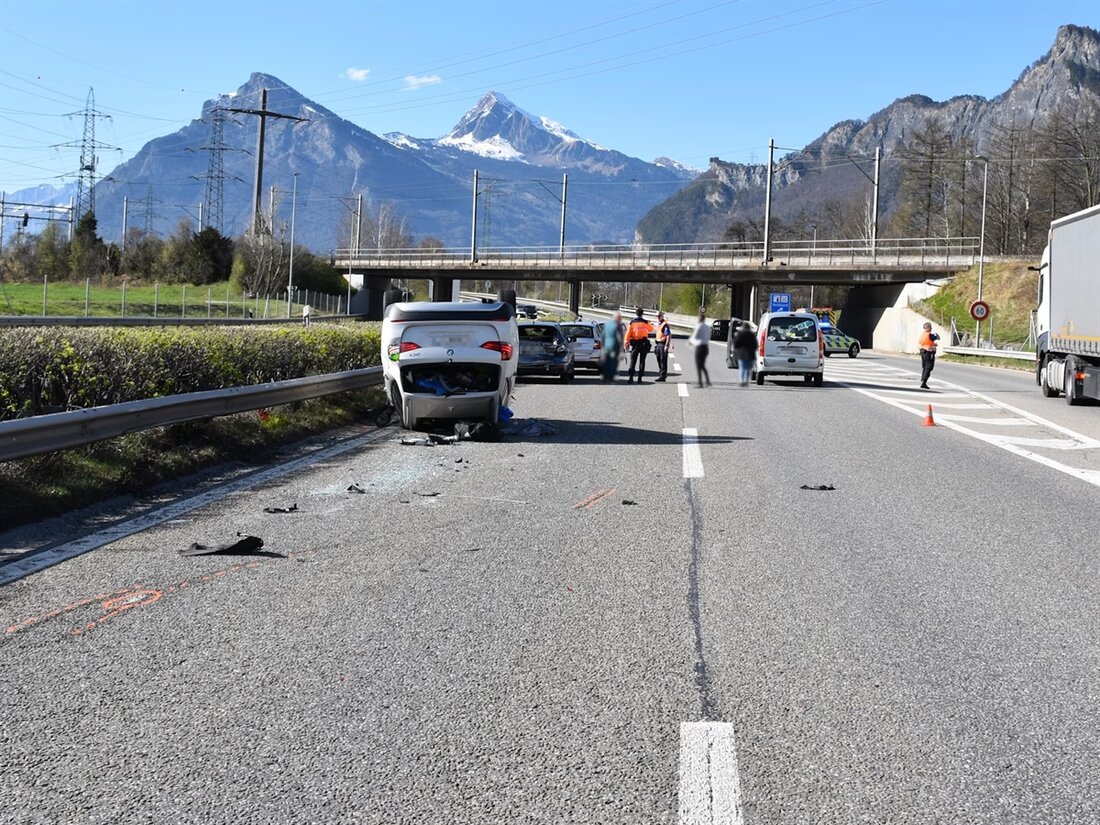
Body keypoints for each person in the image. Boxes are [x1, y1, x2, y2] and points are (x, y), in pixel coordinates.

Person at [625, 308, 654, 383]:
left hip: (635, 344)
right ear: (642, 314)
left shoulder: (632, 323)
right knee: (642, 361)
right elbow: (651, 329)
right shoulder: (645, 322)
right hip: (644, 344)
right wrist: (649, 323)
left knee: (633, 361)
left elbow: (628, 334)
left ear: (636, 313)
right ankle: (640, 378)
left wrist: (626, 343)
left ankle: (631, 378)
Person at [688, 309, 712, 388]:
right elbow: (708, 337)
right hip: (706, 347)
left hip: (699, 347)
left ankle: (701, 383)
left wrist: (691, 342)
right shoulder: (708, 327)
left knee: (699, 365)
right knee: (702, 365)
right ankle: (707, 381)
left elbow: (695, 336)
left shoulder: (699, 326)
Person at [600, 312, 624, 382]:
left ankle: (605, 376)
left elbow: (603, 335)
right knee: (613, 361)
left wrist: (603, 345)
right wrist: (621, 347)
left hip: (607, 344)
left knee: (607, 360)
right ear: (618, 318)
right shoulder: (617, 325)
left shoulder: (607, 324)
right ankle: (611, 376)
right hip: (614, 344)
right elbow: (621, 336)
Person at [732, 322, 757, 386]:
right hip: (750, 354)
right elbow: (755, 345)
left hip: (741, 354)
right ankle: (746, 381)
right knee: (748, 369)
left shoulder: (739, 334)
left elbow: (736, 344)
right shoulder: (752, 335)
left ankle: (742, 381)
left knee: (742, 368)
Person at [918, 321, 940, 388]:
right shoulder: (929, 334)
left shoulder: (922, 334)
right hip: (928, 352)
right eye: (930, 327)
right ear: (927, 327)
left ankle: (923, 380)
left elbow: (925, 342)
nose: (931, 328)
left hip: (922, 352)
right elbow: (938, 338)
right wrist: (936, 335)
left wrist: (933, 344)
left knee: (925, 367)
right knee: (929, 367)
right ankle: (924, 381)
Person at [653, 311, 672, 382]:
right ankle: (662, 373)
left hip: (663, 344)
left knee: (663, 360)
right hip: (658, 344)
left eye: (659, 316)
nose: (657, 317)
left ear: (662, 316)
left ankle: (662, 376)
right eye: (656, 316)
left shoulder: (665, 325)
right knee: (659, 359)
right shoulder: (659, 324)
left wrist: (666, 345)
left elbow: (668, 335)